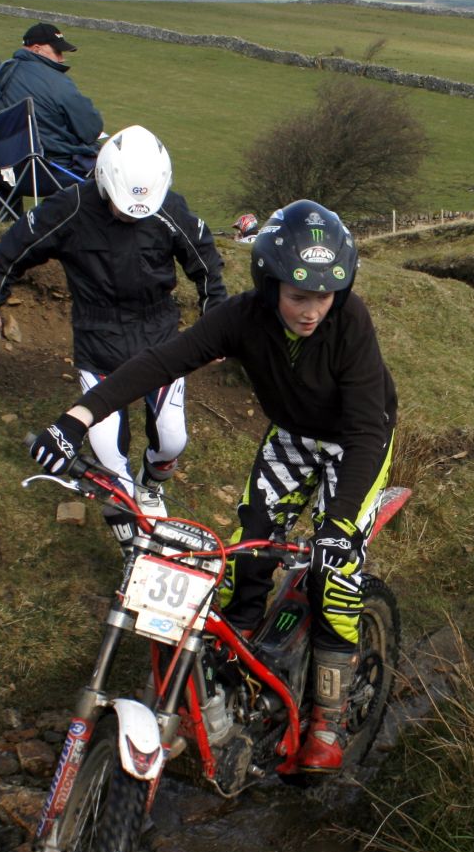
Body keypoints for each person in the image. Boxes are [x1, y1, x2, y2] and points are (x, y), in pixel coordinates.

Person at [27, 199, 398, 775]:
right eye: (298, 296)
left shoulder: (350, 321)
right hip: (293, 434)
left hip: (357, 441)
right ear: (270, 284)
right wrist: (77, 418)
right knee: (247, 546)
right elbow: (162, 361)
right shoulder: (242, 317)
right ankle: (240, 658)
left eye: (325, 296)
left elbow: (369, 429)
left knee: (333, 572)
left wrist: (339, 526)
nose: (312, 310)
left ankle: (328, 716)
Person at [0, 125, 227, 551]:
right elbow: (16, 245)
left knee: (172, 440)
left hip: (160, 339)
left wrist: (215, 315)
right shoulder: (69, 208)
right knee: (110, 462)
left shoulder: (168, 209)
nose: (132, 217)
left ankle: (151, 485)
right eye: (124, 208)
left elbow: (203, 256)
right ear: (105, 181)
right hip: (99, 343)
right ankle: (138, 545)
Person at [0, 22, 104, 184]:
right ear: (37, 49)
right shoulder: (56, 81)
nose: (61, 58)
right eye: (57, 52)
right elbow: (92, 129)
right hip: (46, 171)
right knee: (104, 164)